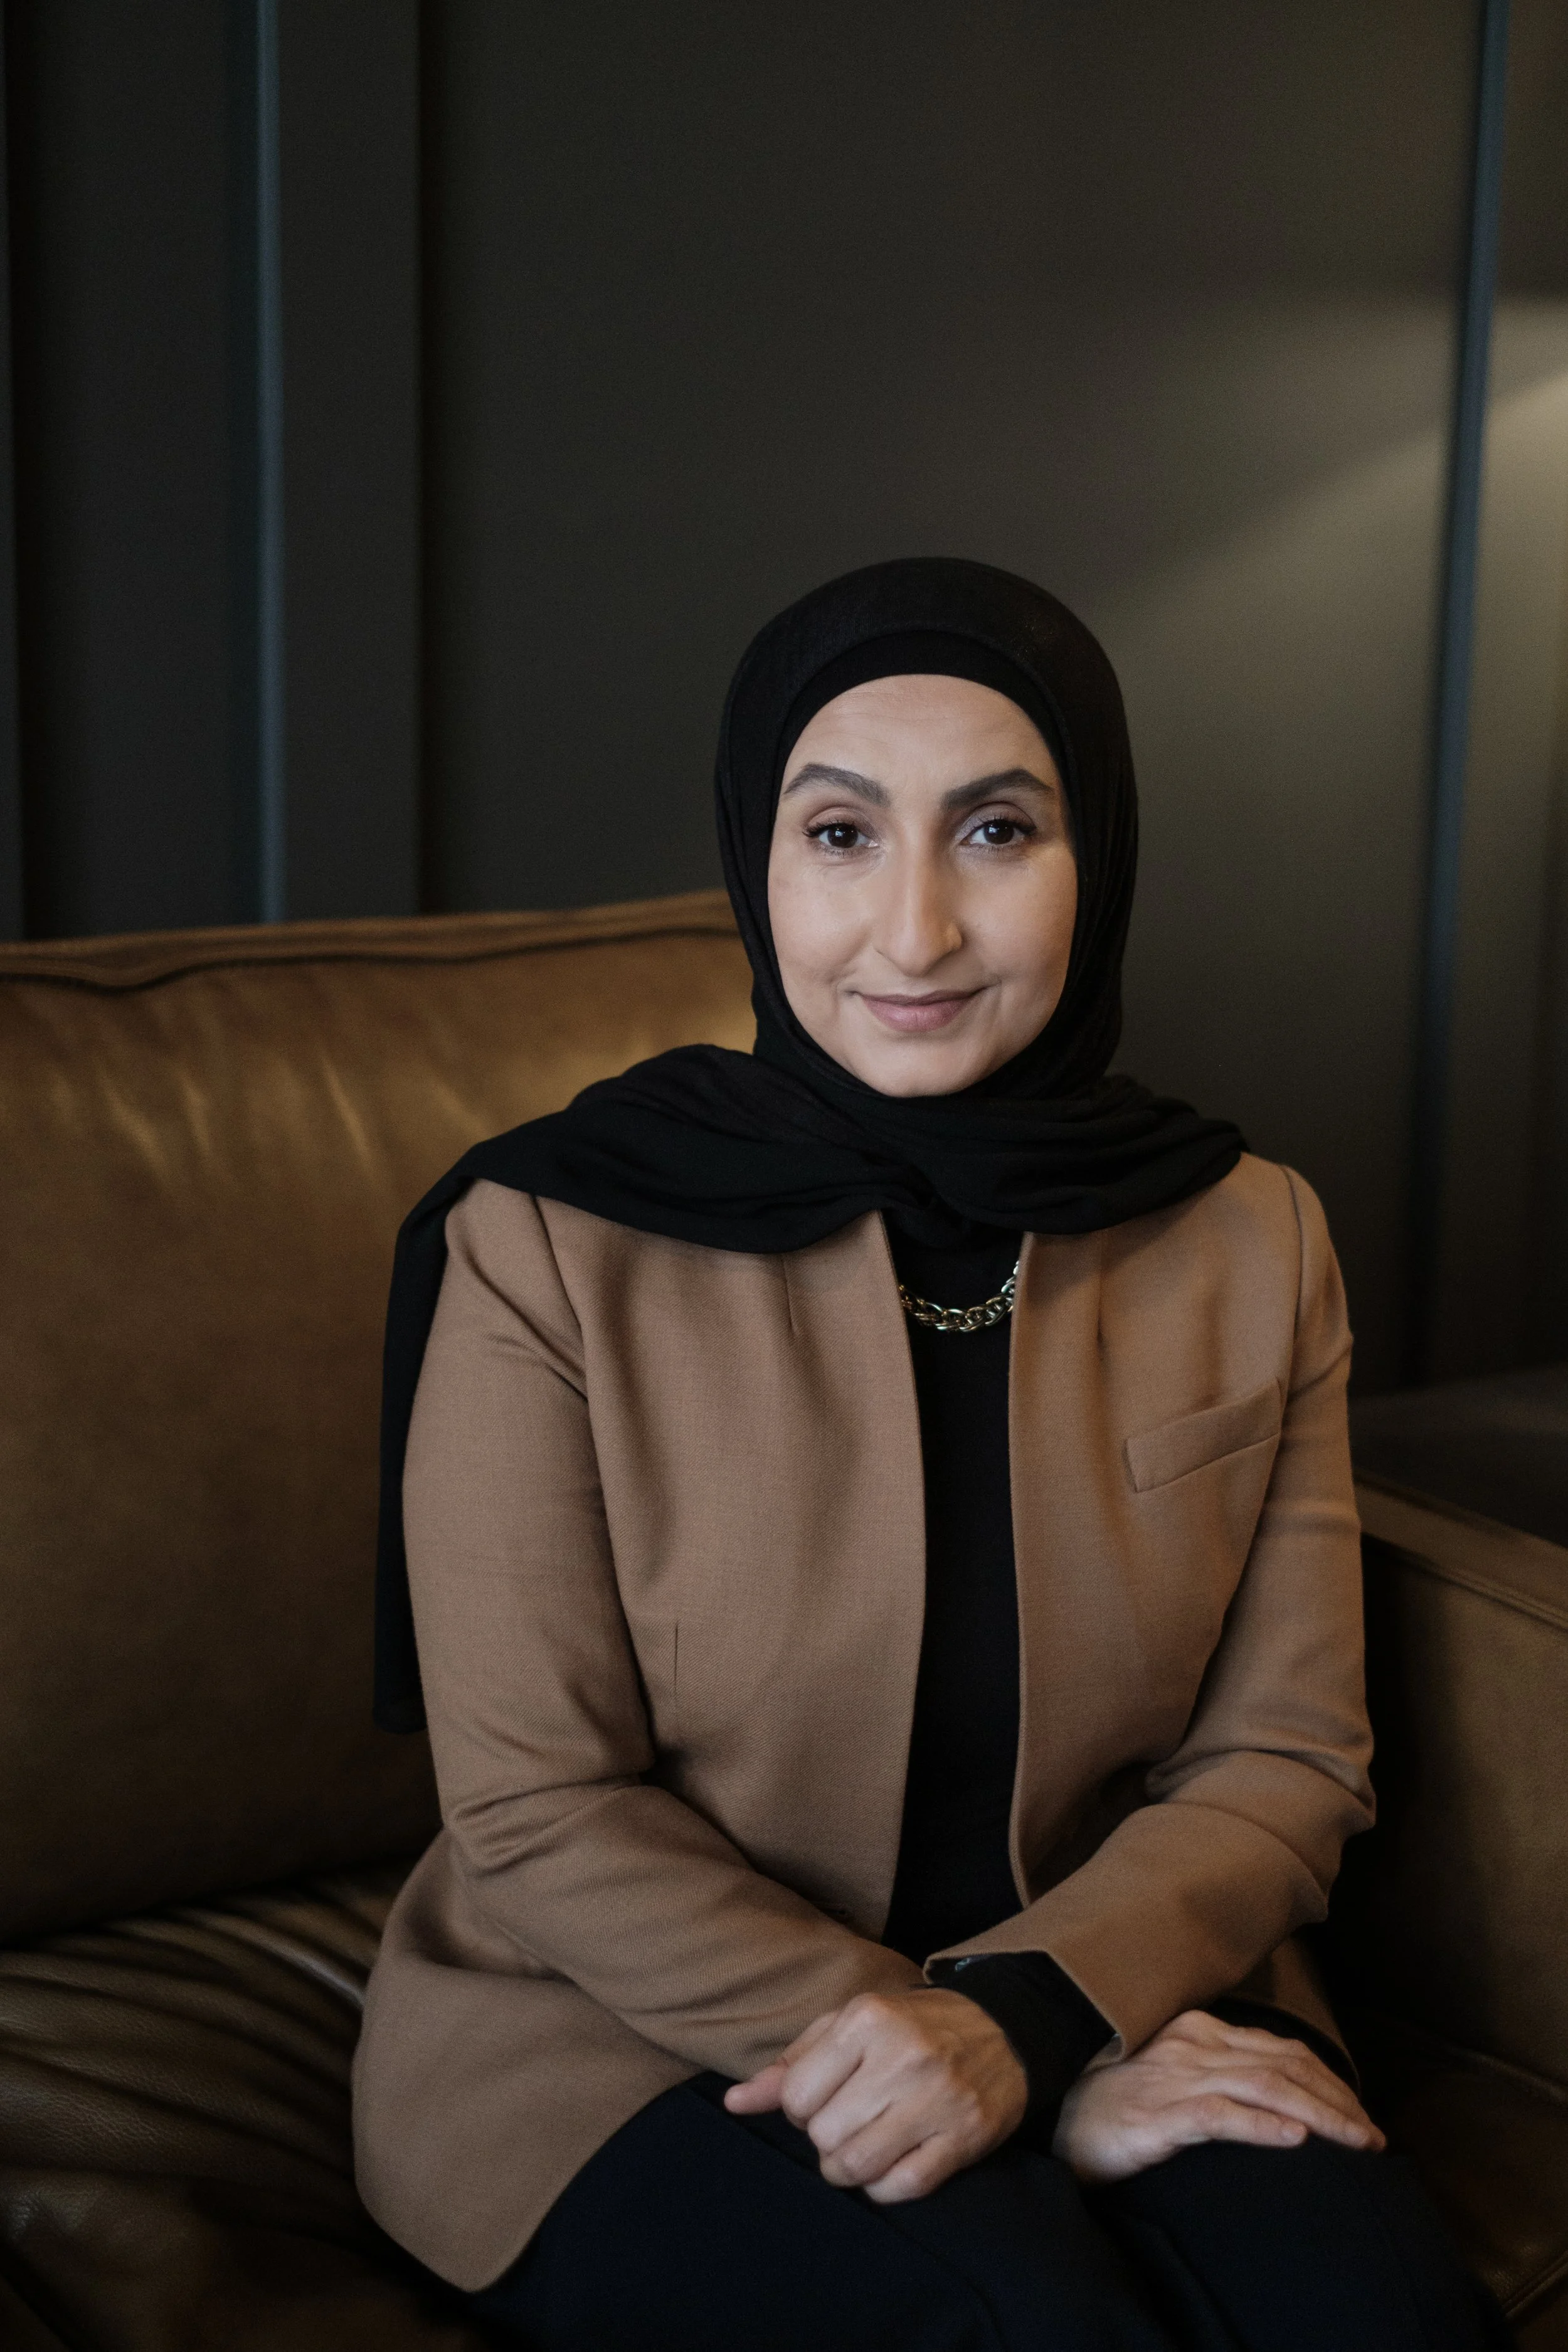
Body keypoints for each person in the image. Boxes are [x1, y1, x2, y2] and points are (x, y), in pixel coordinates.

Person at [354, 559, 1509, 2351]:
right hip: (629, 2028)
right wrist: (991, 2060)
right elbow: (532, 1805)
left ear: (1095, 859)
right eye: (837, 832)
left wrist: (1034, 2022)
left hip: (1123, 1978)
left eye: (991, 829)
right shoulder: (550, 1239)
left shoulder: (1247, 1234)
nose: (913, 932)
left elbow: (1283, 1756)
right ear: (755, 857)